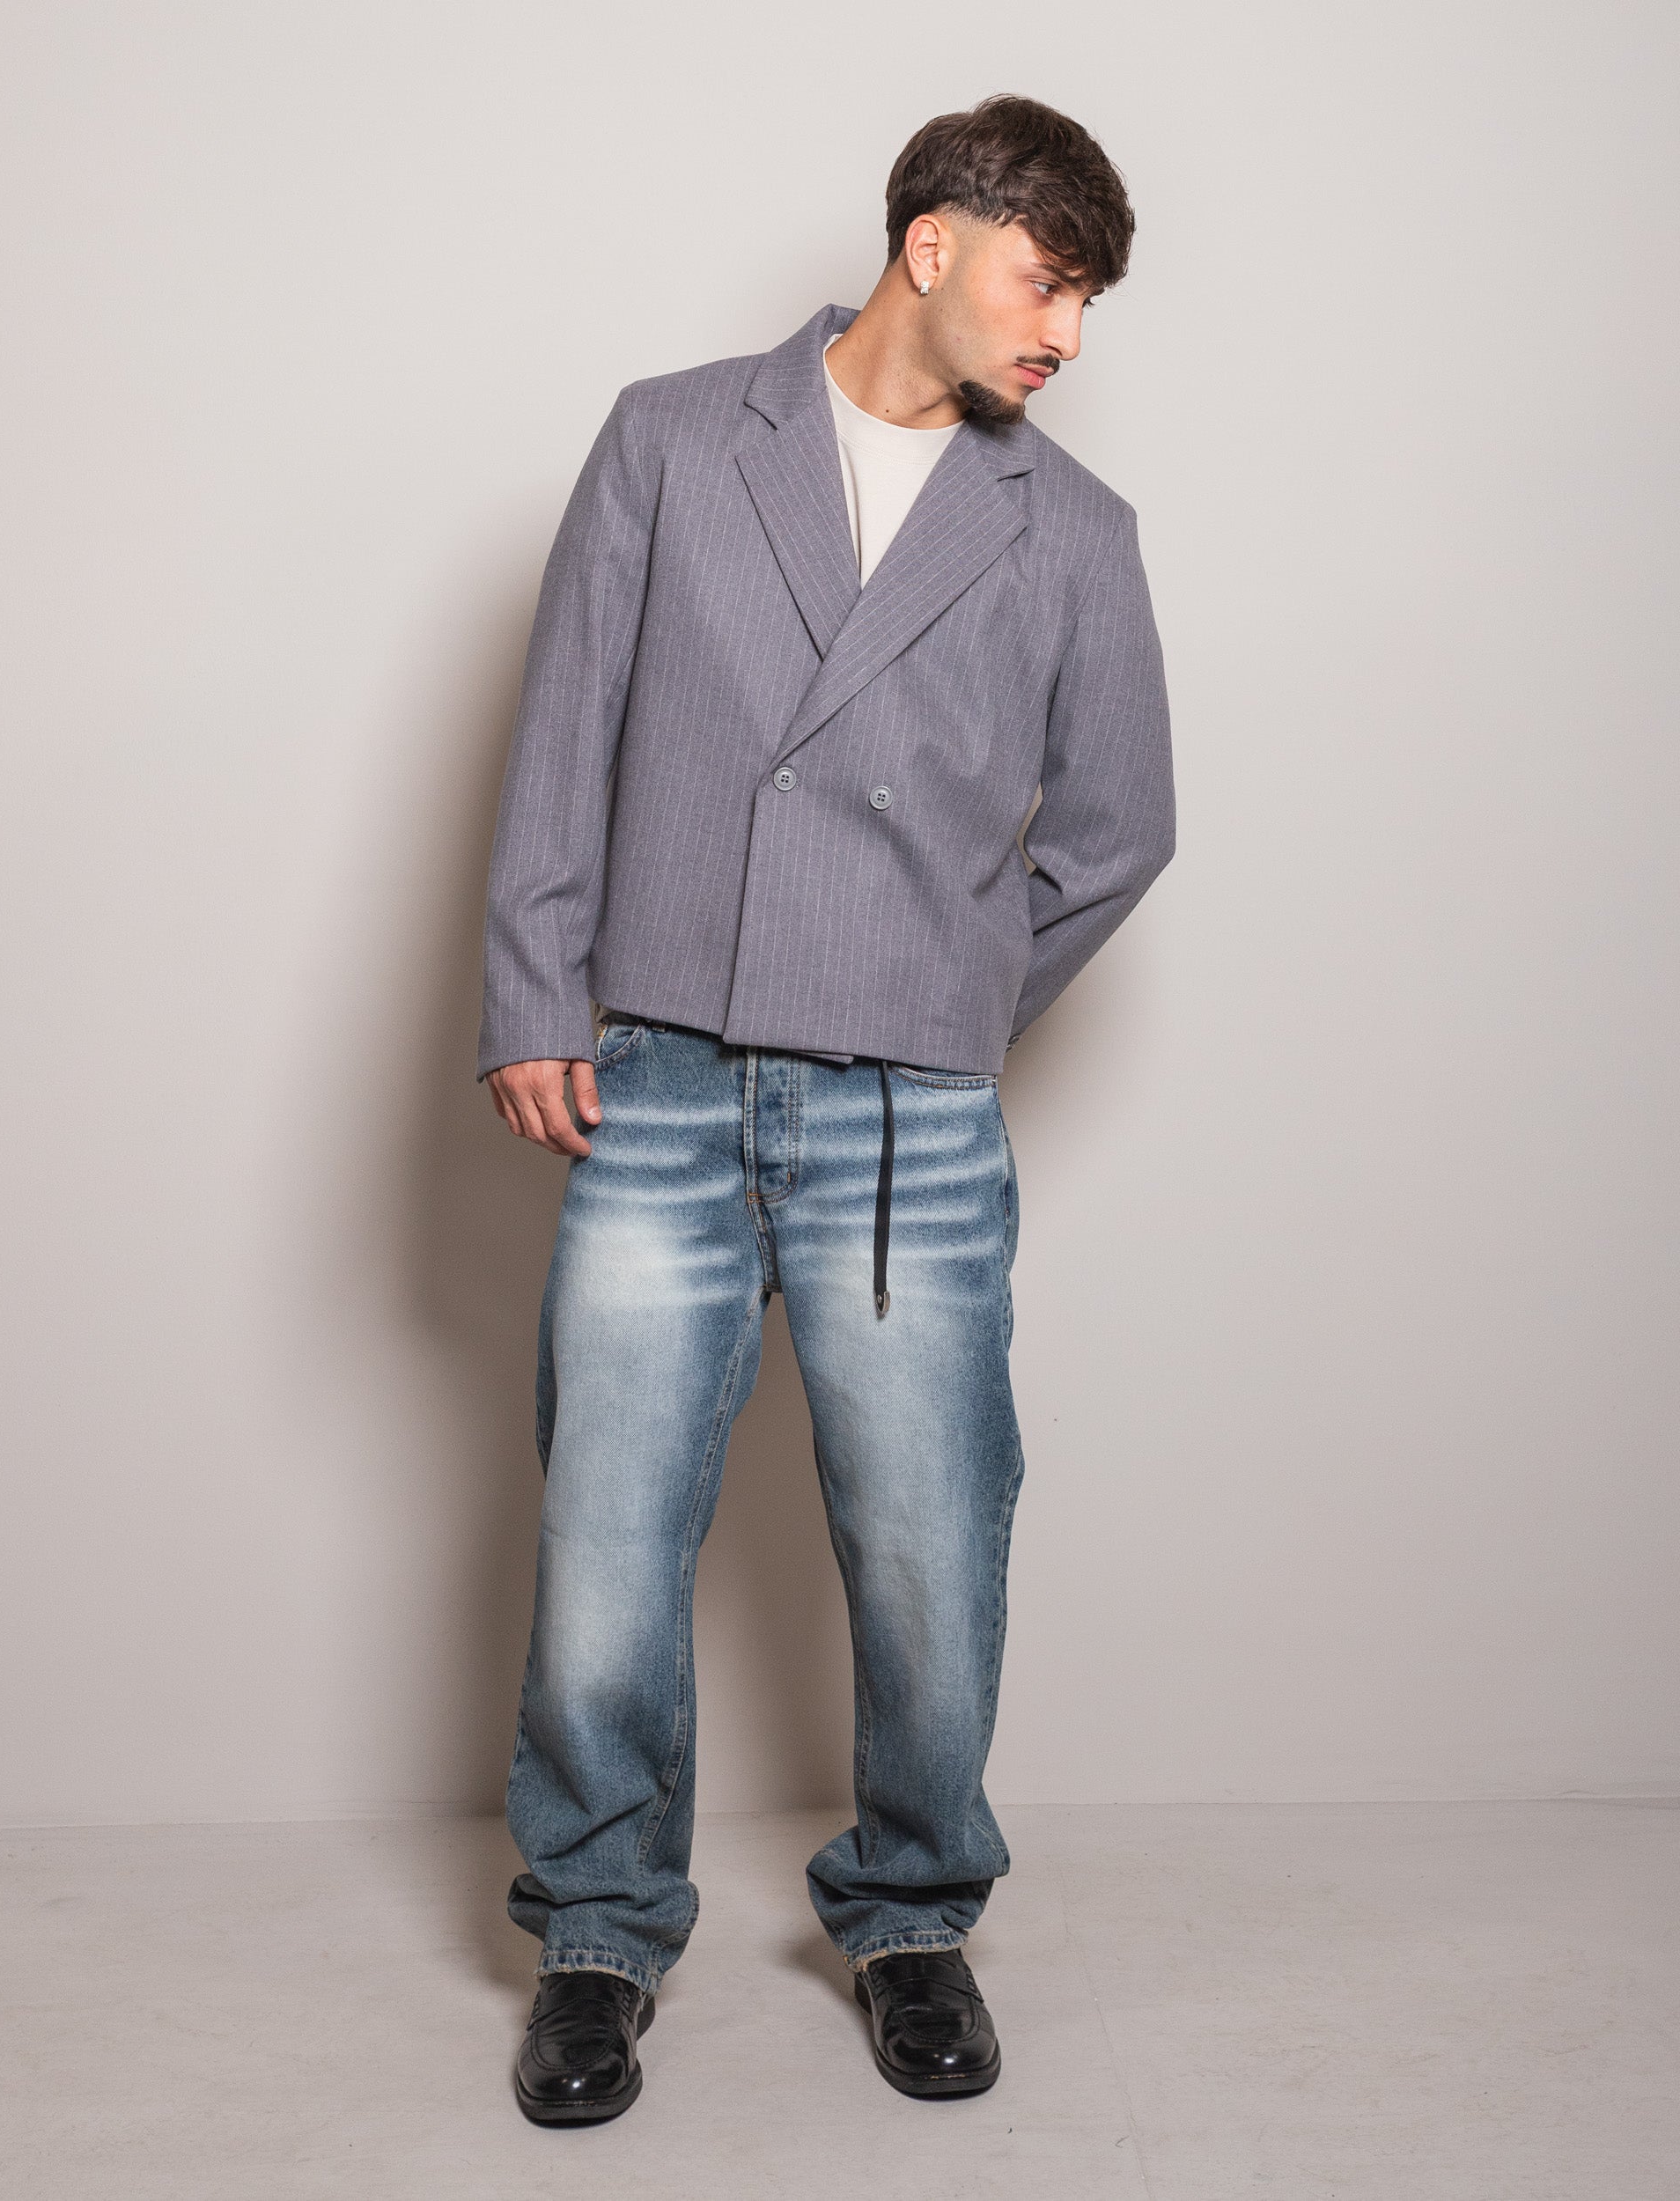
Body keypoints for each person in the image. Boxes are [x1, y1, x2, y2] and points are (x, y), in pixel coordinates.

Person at [475, 92, 1175, 2124]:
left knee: (930, 1540)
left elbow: (1119, 831)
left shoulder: (1075, 532)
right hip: (661, 1073)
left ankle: (912, 1910)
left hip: (907, 1113)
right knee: (609, 1533)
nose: (1066, 334)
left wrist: (943, 997)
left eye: (1090, 303)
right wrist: (535, 989)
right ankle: (597, 1926)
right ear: (934, 243)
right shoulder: (673, 438)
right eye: (1049, 282)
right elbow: (567, 722)